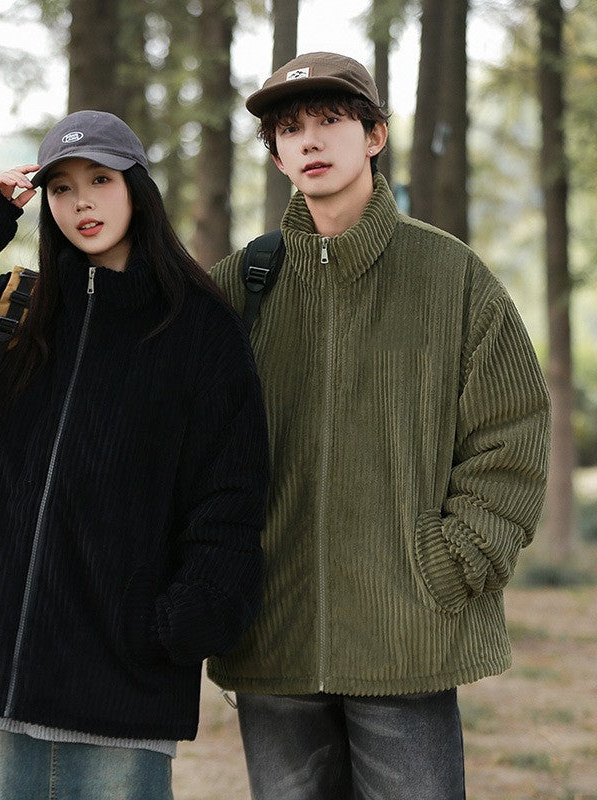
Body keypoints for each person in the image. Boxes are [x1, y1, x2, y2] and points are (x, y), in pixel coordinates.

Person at [0, 110, 269, 800]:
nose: (82, 203)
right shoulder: (14, 311)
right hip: (0, 675)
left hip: (122, 676)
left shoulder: (201, 329)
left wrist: (182, 621)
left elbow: (229, 492)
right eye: (62, 188)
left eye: (100, 180)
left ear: (137, 187)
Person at [207, 52, 551, 800]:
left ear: (374, 136)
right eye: (289, 129)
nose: (309, 140)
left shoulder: (451, 276)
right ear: (276, 156)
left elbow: (511, 436)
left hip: (408, 638)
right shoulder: (241, 285)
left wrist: (449, 563)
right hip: (273, 637)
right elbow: (187, 444)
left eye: (330, 120)